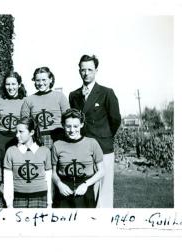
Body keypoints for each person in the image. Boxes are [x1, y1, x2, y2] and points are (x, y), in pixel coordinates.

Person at [69, 55, 121, 208]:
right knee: (85, 186)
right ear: (79, 71)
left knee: (104, 189)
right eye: (83, 70)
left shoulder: (106, 93)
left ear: (96, 70)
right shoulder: (74, 95)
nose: (86, 73)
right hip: (82, 148)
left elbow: (115, 120)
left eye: (90, 69)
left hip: (103, 146)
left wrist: (103, 135)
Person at [51, 109, 104, 208]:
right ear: (63, 125)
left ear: (82, 125)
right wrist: (59, 184)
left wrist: (86, 184)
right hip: (64, 191)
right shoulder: (57, 145)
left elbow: (101, 171)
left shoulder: (92, 143)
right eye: (68, 126)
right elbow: (53, 172)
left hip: (85, 190)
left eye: (75, 126)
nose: (72, 130)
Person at [3, 117, 52, 208]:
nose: (17, 135)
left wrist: (49, 203)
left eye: (21, 132)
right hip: (18, 198)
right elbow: (8, 180)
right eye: (16, 132)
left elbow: (49, 180)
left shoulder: (45, 151)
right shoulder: (11, 151)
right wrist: (9, 203)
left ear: (32, 132)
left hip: (40, 198)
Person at [20, 66, 69, 150]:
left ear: (50, 79)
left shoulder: (60, 96)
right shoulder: (29, 100)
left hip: (59, 137)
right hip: (38, 139)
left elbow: (68, 119)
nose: (41, 83)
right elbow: (24, 124)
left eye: (44, 80)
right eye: (38, 80)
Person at [0, 71, 27, 151]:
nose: (10, 87)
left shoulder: (25, 101)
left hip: (18, 139)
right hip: (1, 140)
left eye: (13, 84)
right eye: (8, 84)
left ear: (19, 85)